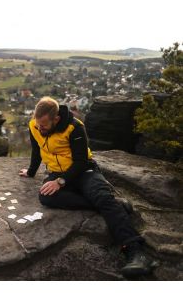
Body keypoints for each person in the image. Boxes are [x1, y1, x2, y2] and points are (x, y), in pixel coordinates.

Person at [19, 96, 156, 278]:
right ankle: (115, 205)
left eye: (43, 125)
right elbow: (37, 150)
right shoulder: (34, 126)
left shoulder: (75, 127)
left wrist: (60, 182)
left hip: (84, 170)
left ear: (56, 119)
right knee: (46, 197)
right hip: (56, 172)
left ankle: (135, 251)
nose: (39, 128)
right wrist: (31, 171)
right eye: (37, 124)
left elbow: (82, 161)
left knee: (100, 195)